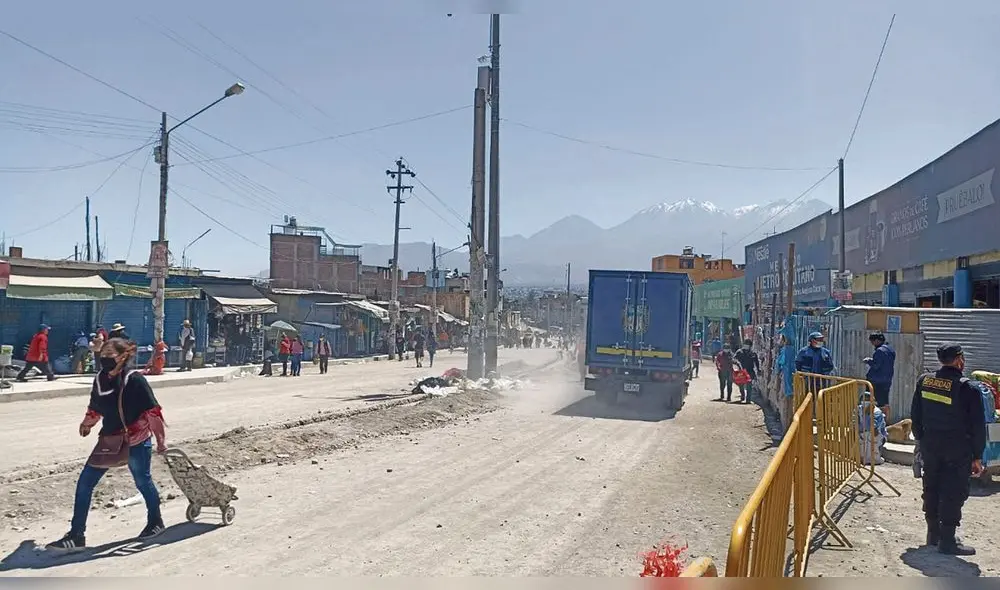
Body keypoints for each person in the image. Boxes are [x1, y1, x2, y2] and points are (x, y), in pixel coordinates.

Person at [45, 337, 168, 551]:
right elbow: (96, 407)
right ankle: (77, 535)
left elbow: (153, 413)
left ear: (122, 357)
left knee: (142, 481)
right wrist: (87, 424)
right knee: (85, 482)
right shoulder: (100, 379)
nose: (104, 360)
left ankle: (156, 522)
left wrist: (161, 442)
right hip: (110, 439)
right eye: (103, 356)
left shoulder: (135, 380)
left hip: (136, 439)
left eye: (109, 357)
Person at [910, 342, 987, 556]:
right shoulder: (967, 388)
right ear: (959, 359)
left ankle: (933, 535)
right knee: (953, 491)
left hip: (931, 445)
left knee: (932, 487)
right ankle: (947, 541)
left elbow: (915, 416)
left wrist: (922, 441)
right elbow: (978, 426)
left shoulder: (924, 381)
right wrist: (978, 456)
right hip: (957, 449)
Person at [864, 331, 896, 421]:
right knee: (885, 402)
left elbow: (876, 365)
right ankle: (886, 421)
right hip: (886, 380)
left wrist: (868, 361)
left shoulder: (879, 351)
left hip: (876, 381)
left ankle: (875, 422)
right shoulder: (890, 350)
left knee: (872, 402)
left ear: (877, 340)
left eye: (873, 342)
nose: (872, 344)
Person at [734, 339, 760, 404]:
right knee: (741, 385)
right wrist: (737, 363)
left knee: (749, 386)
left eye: (748, 344)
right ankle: (742, 395)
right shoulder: (739, 352)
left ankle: (748, 400)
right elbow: (734, 359)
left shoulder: (753, 354)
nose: (746, 345)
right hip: (741, 372)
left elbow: (756, 362)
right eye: (746, 344)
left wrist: (758, 370)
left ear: (750, 346)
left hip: (750, 372)